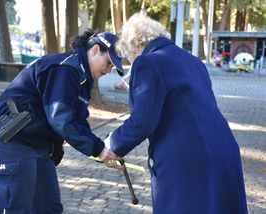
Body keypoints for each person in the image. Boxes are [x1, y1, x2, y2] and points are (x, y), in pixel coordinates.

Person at [104, 13, 248, 213]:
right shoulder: (192, 60)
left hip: (188, 159)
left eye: (128, 55)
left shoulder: (147, 62)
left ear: (136, 45)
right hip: (224, 148)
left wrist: (111, 144)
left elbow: (142, 121)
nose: (130, 61)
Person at [0, 29, 123, 213]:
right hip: (8, 139)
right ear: (95, 50)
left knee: (49, 207)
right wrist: (97, 149)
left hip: (37, 144)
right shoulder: (65, 69)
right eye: (108, 62)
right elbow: (60, 118)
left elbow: (77, 119)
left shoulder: (82, 77)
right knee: (17, 208)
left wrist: (100, 151)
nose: (108, 70)